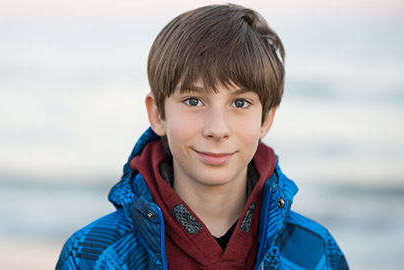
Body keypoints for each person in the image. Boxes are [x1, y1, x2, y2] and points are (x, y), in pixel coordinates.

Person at [56, 4, 348, 270]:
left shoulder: (316, 253)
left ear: (266, 119)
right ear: (158, 114)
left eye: (240, 103)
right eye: (194, 101)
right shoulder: (92, 255)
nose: (217, 129)